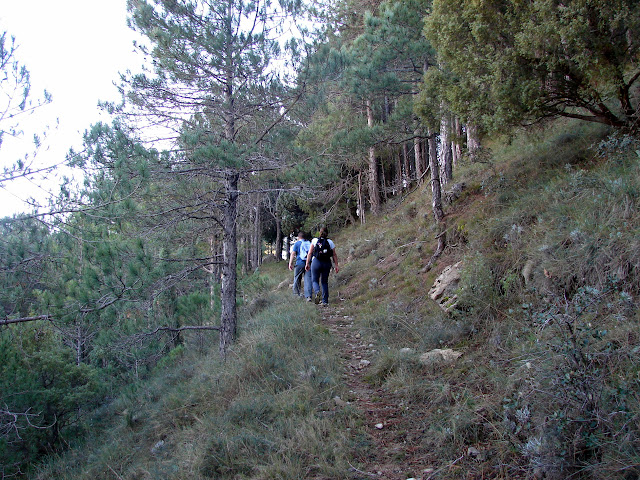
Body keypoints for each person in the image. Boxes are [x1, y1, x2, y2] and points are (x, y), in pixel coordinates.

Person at [305, 227, 339, 305]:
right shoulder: (330, 242)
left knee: (314, 280)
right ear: (327, 233)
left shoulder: (314, 240)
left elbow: (310, 253)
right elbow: (334, 254)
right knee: (324, 282)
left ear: (319, 233)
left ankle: (317, 292)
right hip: (326, 263)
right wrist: (336, 265)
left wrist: (307, 263)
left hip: (316, 262)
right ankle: (325, 301)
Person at [289, 231, 312, 300]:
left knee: (297, 278)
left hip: (299, 263)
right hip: (308, 263)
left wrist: (290, 263)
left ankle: (297, 294)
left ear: (299, 237)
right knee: (308, 279)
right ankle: (308, 296)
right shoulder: (309, 243)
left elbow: (293, 254)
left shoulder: (297, 243)